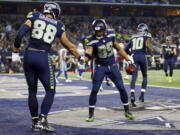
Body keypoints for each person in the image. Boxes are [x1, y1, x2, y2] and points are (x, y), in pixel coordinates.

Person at [13, 2, 82, 132]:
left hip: (29, 55)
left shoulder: (34, 15)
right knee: (50, 90)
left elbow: (19, 34)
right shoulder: (59, 24)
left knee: (32, 90)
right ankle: (43, 119)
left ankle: (34, 122)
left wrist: (15, 50)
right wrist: (80, 57)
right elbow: (68, 45)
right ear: (56, 12)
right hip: (42, 56)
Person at [82, 19, 135, 122]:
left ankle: (127, 111)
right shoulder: (90, 40)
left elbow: (119, 48)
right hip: (100, 67)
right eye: (96, 31)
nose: (98, 33)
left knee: (121, 88)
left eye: (100, 31)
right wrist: (83, 59)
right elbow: (88, 53)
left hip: (113, 65)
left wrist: (128, 59)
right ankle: (91, 114)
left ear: (104, 29)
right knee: (95, 90)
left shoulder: (111, 35)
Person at [125, 23, 153, 107]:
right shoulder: (147, 35)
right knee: (145, 75)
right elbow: (148, 45)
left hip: (134, 57)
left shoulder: (133, 36)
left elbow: (126, 49)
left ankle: (132, 94)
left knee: (134, 76)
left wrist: (131, 54)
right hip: (142, 56)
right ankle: (142, 95)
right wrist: (151, 54)